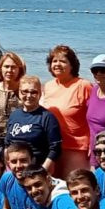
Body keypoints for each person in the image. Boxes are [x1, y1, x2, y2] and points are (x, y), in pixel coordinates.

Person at [42, 45, 93, 179]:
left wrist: (92, 145)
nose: (58, 64)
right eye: (54, 61)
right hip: (51, 147)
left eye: (63, 61)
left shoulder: (83, 85)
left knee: (75, 187)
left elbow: (94, 117)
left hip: (76, 148)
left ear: (72, 65)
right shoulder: (48, 86)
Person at [6, 75, 63, 173]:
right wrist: (8, 169)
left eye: (33, 92)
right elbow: (7, 145)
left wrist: (42, 170)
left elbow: (55, 149)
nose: (29, 96)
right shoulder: (14, 115)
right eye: (25, 91)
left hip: (37, 170)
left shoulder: (47, 117)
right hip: (14, 169)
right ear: (19, 92)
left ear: (40, 94)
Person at [0, 51, 26, 145]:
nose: (9, 70)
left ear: (19, 70)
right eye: (6, 66)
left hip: (18, 142)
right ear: (0, 69)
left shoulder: (25, 91)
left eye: (13, 67)